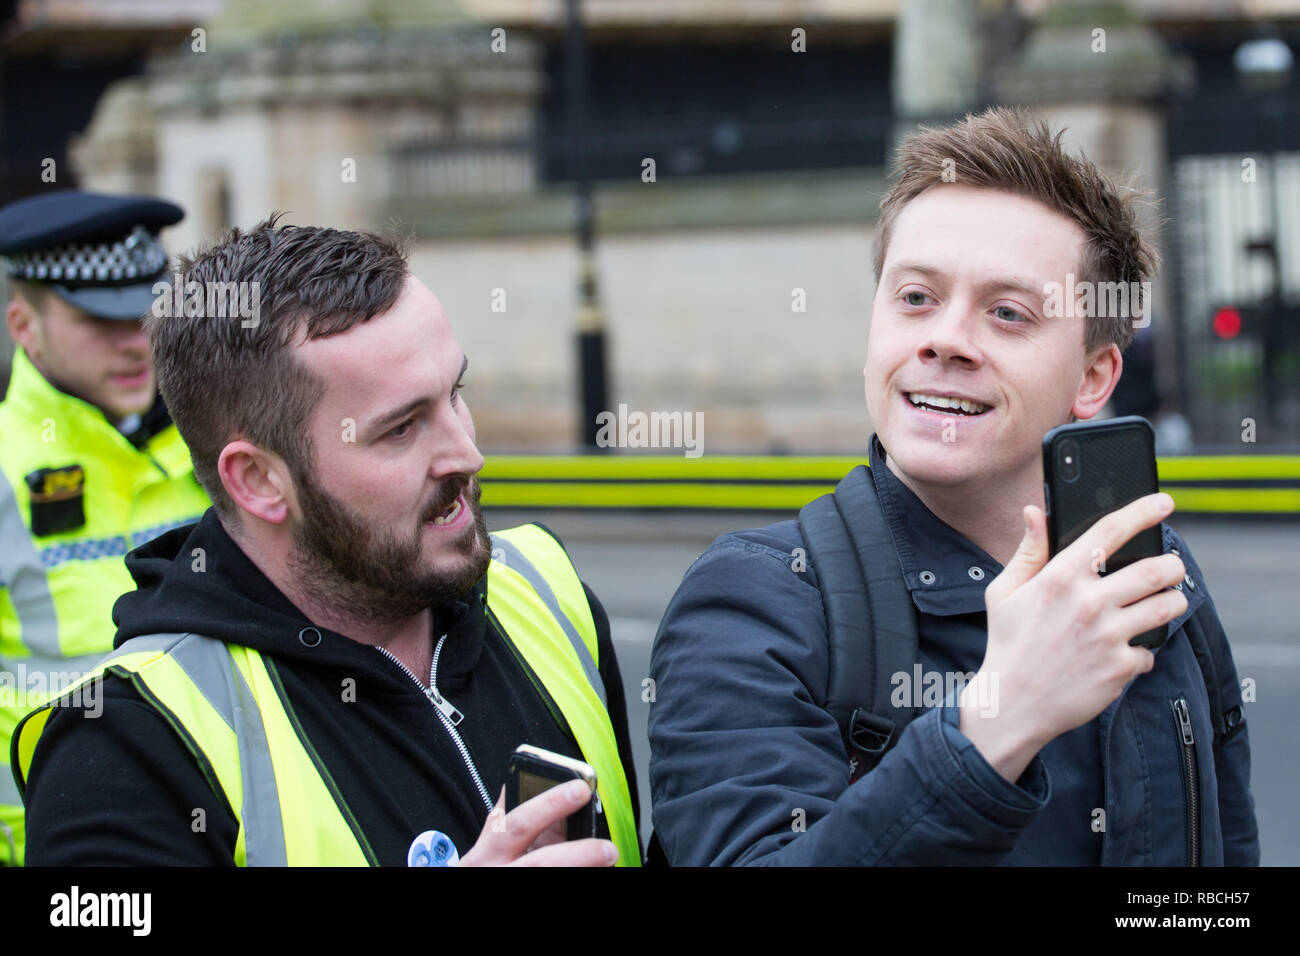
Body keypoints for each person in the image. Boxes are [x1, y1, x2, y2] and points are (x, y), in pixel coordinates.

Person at [647, 107, 1259, 866]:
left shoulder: (1160, 584)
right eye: (915, 298)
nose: (945, 339)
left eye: (1007, 313)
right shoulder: (754, 604)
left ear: (1094, 377)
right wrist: (997, 724)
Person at [13, 217, 641, 866]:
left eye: (455, 394)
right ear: (257, 480)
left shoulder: (549, 590)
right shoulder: (124, 747)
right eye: (400, 429)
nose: (467, 453)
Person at [0, 191, 211, 866]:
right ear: (22, 325)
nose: (134, 341)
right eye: (98, 318)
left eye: (146, 310)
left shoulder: (223, 453)